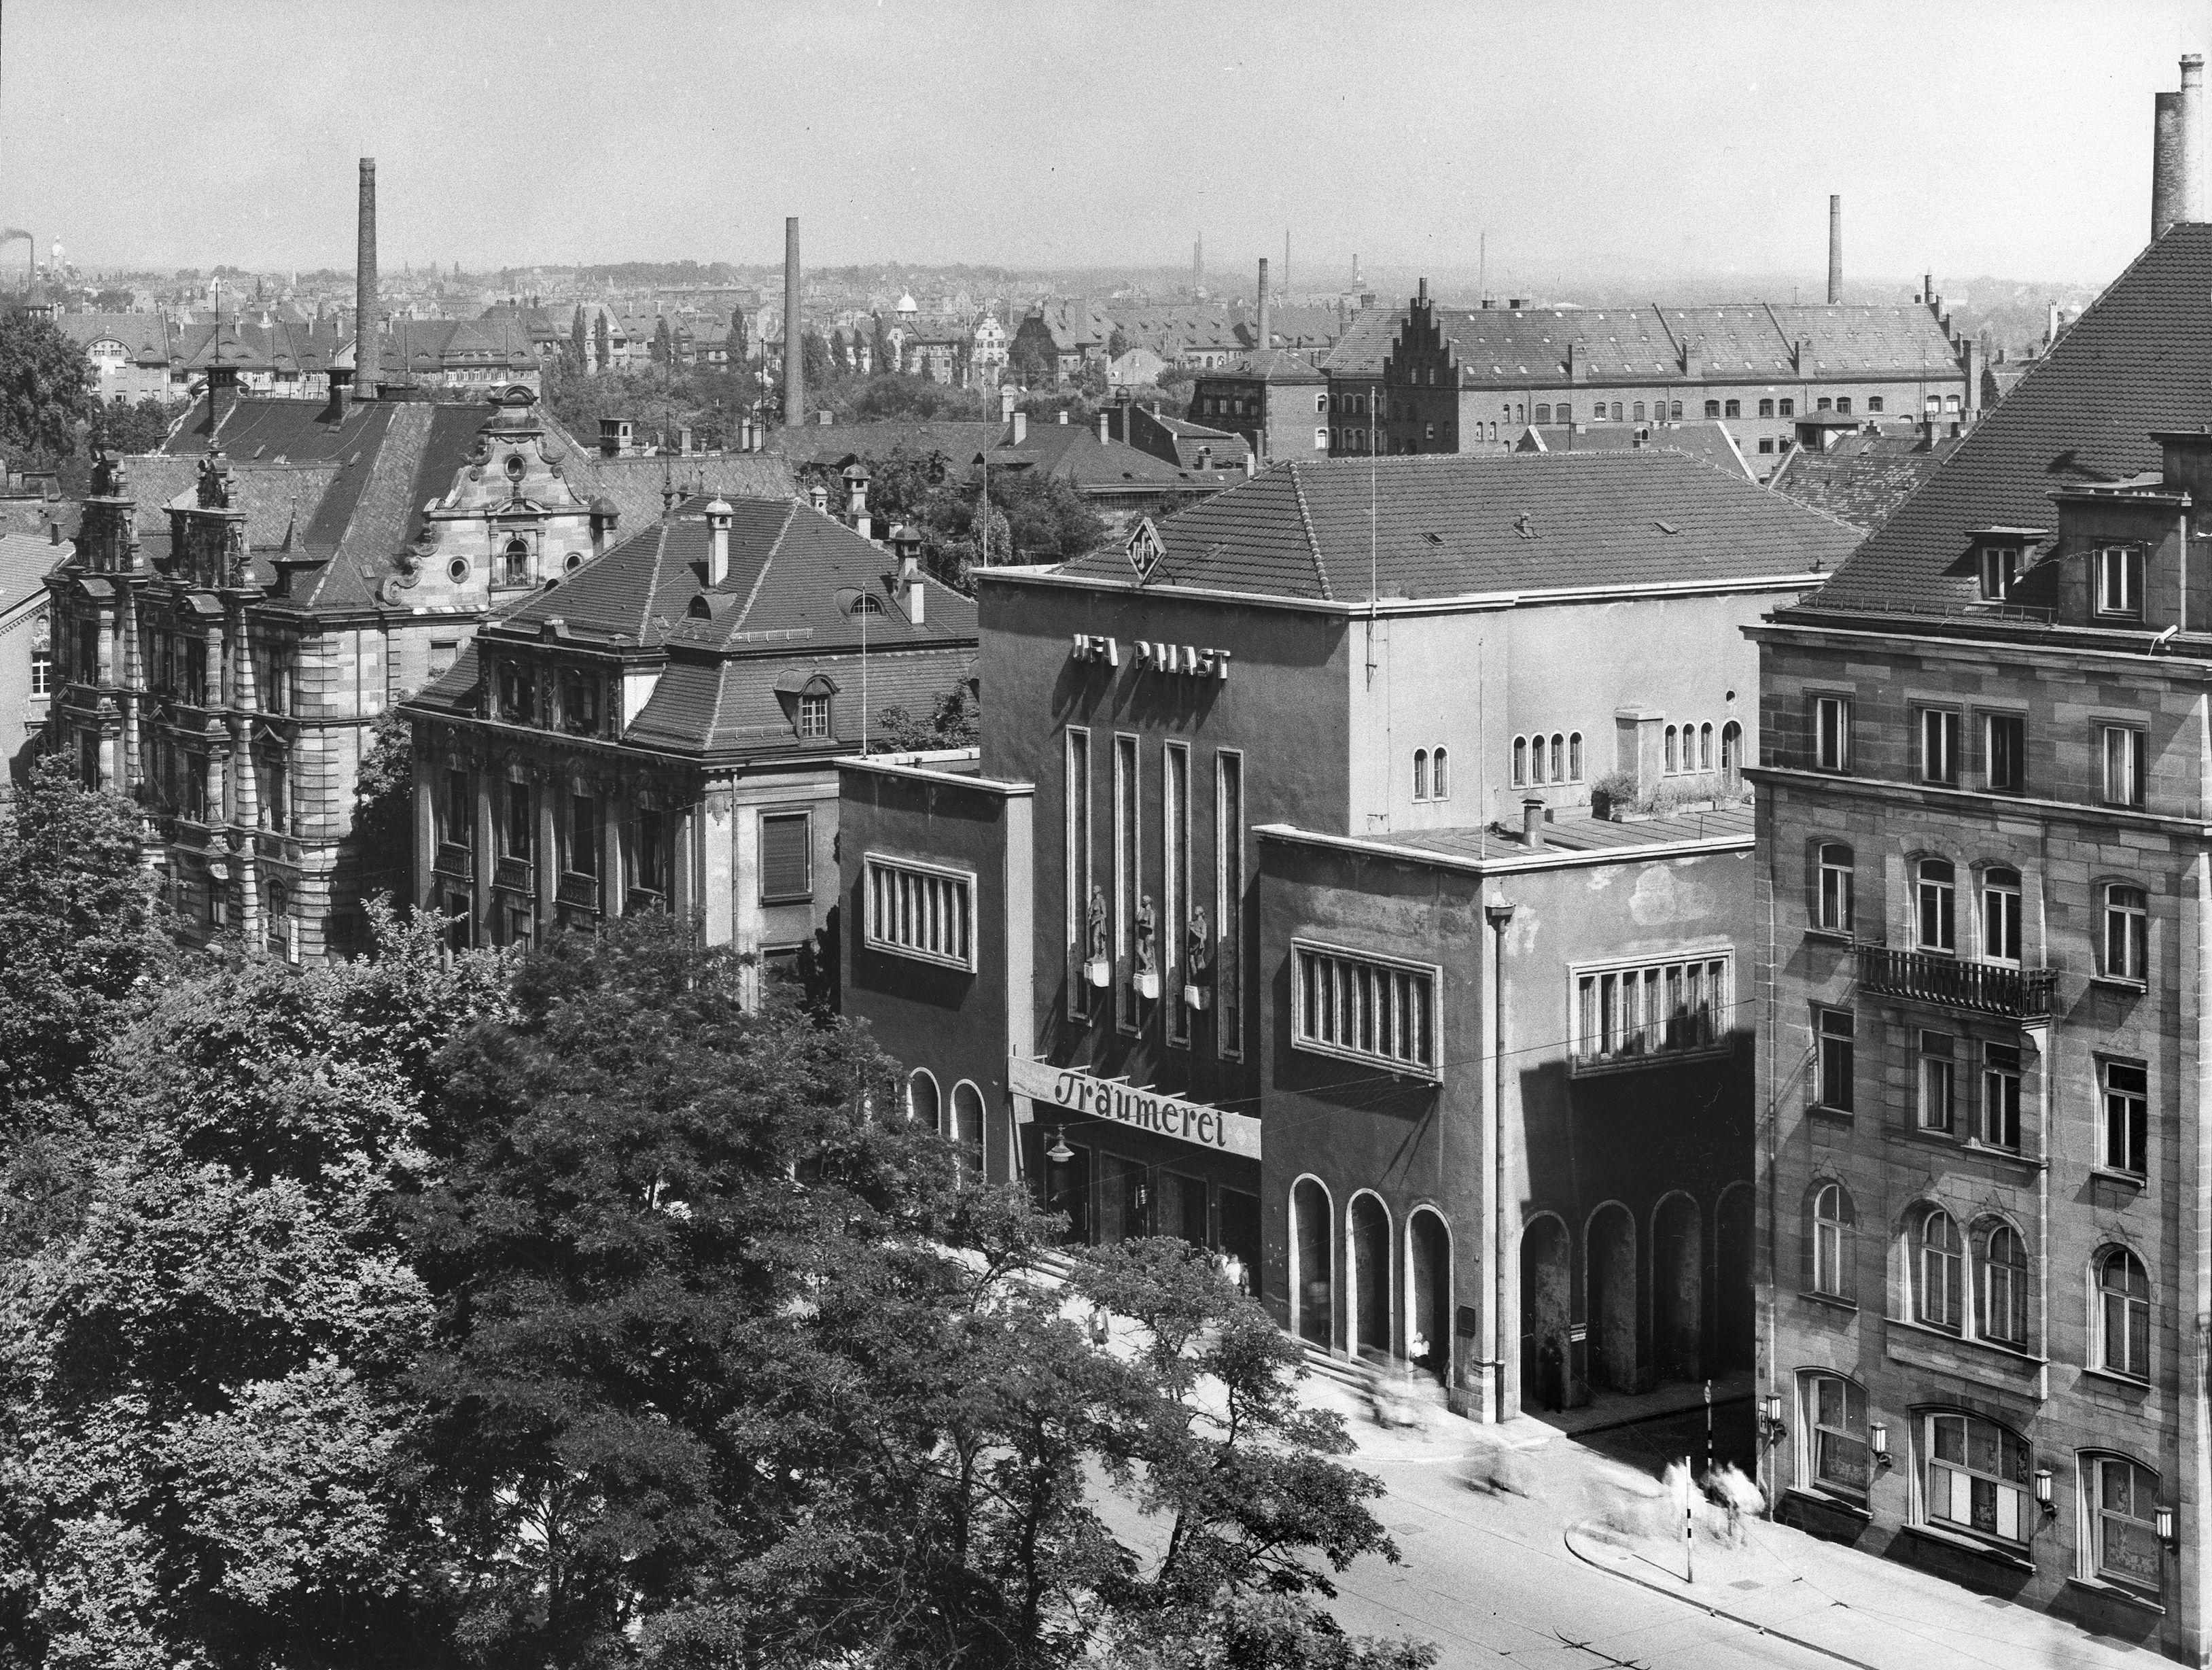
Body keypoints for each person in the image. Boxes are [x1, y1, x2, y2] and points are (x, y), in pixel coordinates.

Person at [1539, 1333, 1566, 1413]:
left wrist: (1557, 1361)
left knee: (1557, 1390)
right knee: (1548, 1389)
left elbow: (1561, 1360)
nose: (1551, 1347)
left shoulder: (1557, 1349)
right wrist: (1548, 1355)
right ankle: (1548, 1406)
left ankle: (1558, 1407)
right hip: (1548, 1372)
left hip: (1556, 1373)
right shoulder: (1544, 1349)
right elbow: (1541, 1360)